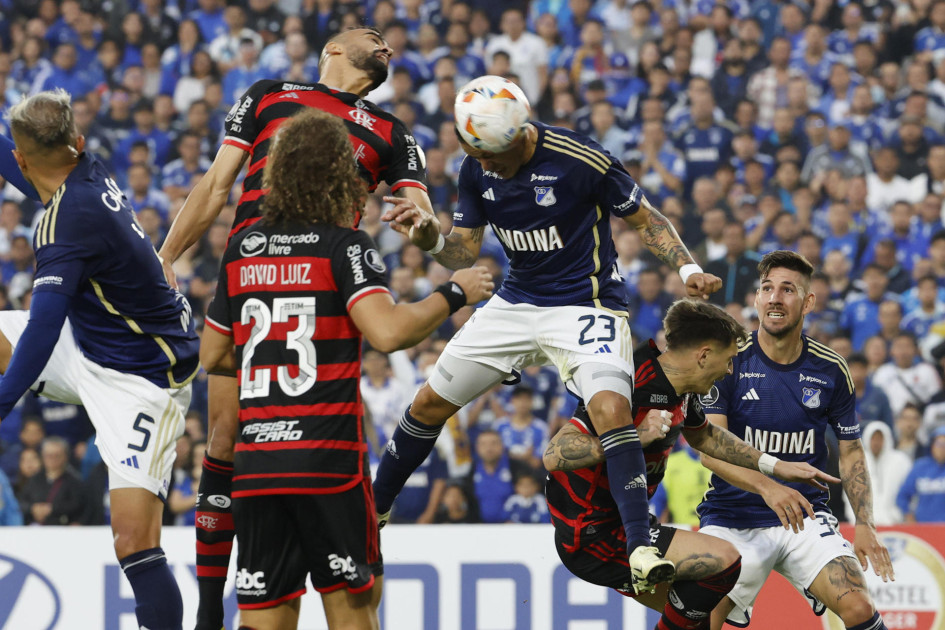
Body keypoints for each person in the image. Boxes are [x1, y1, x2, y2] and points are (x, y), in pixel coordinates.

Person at [374, 75, 723, 594]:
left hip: (588, 304)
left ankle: (639, 545)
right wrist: (430, 238)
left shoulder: (582, 160)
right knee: (428, 403)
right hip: (517, 301)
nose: (485, 166)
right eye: (477, 156)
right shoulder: (476, 166)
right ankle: (373, 511)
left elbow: (646, 220)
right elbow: (464, 252)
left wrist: (687, 268)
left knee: (610, 409)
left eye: (492, 158)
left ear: (520, 138)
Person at [155, 26, 436, 629]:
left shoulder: (392, 132)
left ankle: (336, 566)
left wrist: (427, 230)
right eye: (372, 35)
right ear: (333, 47)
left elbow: (425, 218)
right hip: (250, 274)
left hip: (323, 282)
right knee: (226, 440)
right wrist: (165, 256)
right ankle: (210, 612)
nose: (385, 43)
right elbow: (216, 184)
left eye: (389, 42)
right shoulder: (268, 94)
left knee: (316, 438)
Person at [199, 108, 493, 630]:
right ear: (341, 174)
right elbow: (388, 333)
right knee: (354, 607)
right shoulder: (345, 246)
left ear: (276, 171)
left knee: (264, 615)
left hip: (258, 464)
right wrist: (455, 292)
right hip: (327, 461)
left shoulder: (241, 250)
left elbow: (213, 355)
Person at [0, 90, 198, 630]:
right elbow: (27, 164)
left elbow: (41, 332)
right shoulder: (88, 165)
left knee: (133, 539)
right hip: (93, 339)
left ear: (22, 159)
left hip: (143, 379)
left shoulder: (61, 229)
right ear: (75, 140)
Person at [543, 299, 838, 630]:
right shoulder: (626, 381)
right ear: (704, 355)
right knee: (724, 561)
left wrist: (773, 465)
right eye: (728, 361)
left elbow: (706, 437)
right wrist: (632, 435)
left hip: (625, 527)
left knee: (704, 620)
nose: (729, 371)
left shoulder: (682, 390)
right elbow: (556, 454)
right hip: (594, 532)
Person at [697, 251, 894, 630]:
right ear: (756, 299)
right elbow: (710, 448)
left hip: (805, 520)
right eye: (767, 288)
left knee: (860, 608)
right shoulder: (729, 360)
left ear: (808, 302)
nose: (774, 297)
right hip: (732, 519)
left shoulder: (831, 369)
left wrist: (865, 523)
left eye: (787, 290)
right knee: (699, 618)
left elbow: (851, 450)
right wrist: (769, 488)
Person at [896, 425, 945, 523]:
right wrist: (908, 515)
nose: (942, 448)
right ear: (932, 445)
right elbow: (902, 496)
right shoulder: (920, 467)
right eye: (939, 444)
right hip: (923, 527)